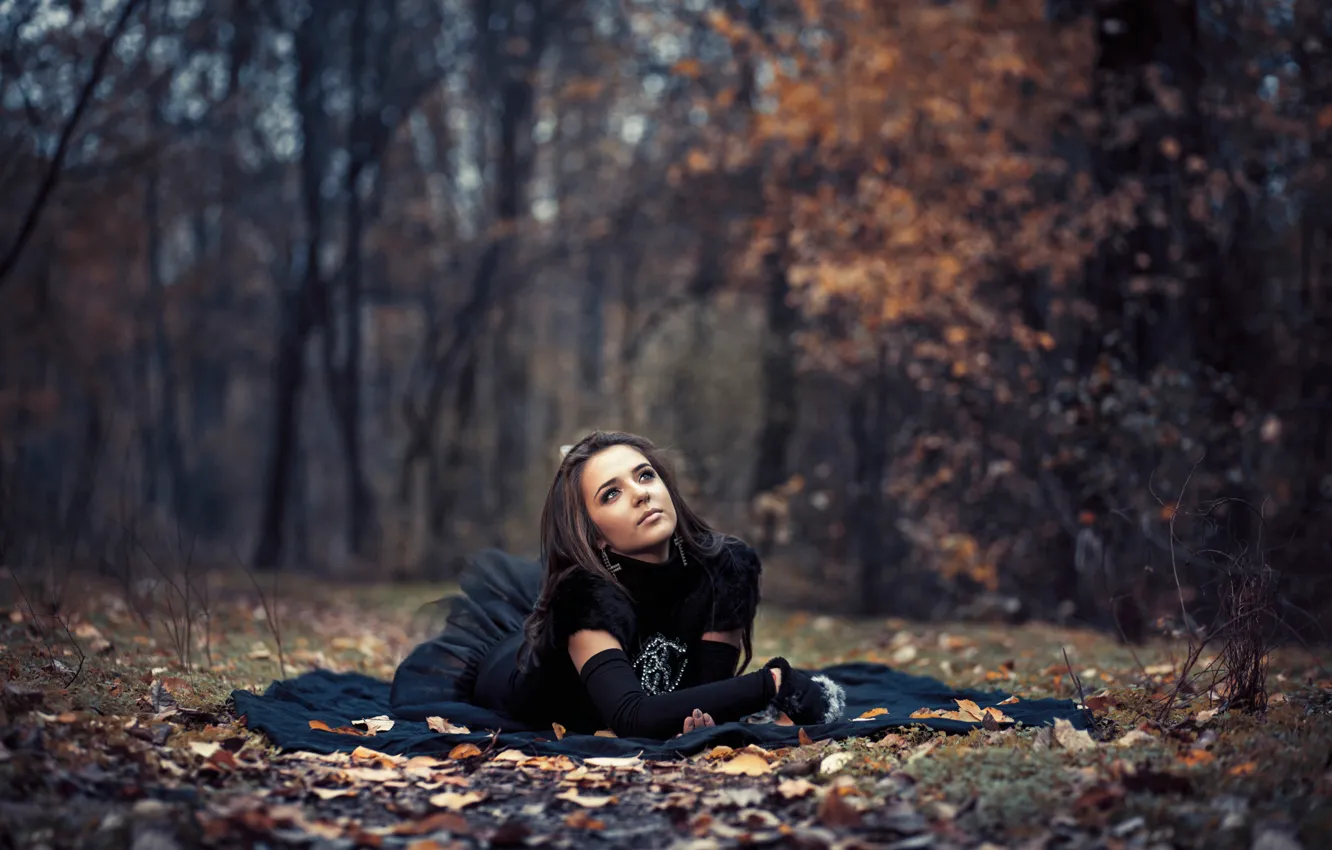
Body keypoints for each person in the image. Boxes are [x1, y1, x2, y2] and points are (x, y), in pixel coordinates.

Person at [390, 431, 845, 740]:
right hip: (522, 678)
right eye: (611, 493)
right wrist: (775, 683)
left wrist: (709, 711)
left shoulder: (724, 568)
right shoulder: (586, 596)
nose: (641, 493)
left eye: (644, 475)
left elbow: (707, 692)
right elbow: (630, 717)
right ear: (596, 535)